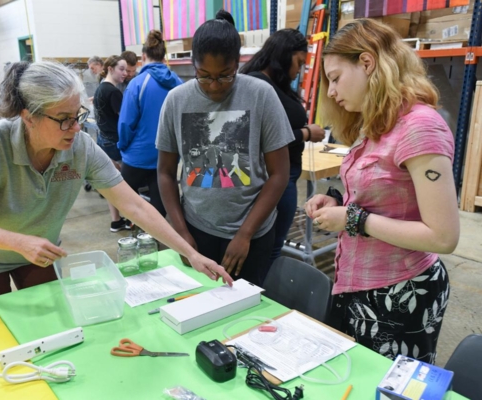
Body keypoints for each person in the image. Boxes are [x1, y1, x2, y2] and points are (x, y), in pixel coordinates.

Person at [0, 60, 232, 299]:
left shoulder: (80, 147)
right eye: (64, 119)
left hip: (38, 253)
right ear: (29, 117)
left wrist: (190, 252)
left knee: (48, 328)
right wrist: (21, 242)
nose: (75, 127)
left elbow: (135, 206)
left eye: (78, 116)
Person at [304, 19, 459, 363]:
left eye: (334, 78)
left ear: (367, 63)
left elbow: (443, 236)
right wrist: (340, 201)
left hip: (401, 291)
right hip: (358, 283)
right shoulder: (378, 122)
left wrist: (354, 219)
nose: (330, 91)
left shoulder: (420, 127)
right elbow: (387, 194)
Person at [157, 10, 293, 286]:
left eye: (225, 76)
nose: (214, 86)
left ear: (237, 64)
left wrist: (245, 234)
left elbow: (279, 174)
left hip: (252, 233)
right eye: (204, 76)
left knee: (244, 313)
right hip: (196, 230)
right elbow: (165, 173)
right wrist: (180, 231)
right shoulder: (176, 100)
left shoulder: (260, 95)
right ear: (193, 65)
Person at [240, 29, 326, 266]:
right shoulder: (258, 85)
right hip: (274, 180)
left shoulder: (270, 84)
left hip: (282, 177)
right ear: (284, 55)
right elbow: (259, 138)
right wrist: (306, 133)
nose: (299, 71)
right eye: (298, 62)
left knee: (271, 249)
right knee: (270, 251)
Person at [118, 30, 182, 217]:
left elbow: (125, 123)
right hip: (167, 156)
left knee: (124, 200)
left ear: (143, 56)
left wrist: (122, 146)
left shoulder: (138, 83)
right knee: (159, 209)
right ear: (164, 57)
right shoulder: (178, 83)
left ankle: (135, 228)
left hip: (138, 155)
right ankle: (155, 239)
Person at [93, 55, 130, 232]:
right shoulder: (113, 92)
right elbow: (124, 121)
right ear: (110, 69)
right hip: (114, 143)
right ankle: (132, 219)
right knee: (129, 183)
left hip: (103, 140)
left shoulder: (101, 88)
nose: (125, 73)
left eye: (126, 69)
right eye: (121, 69)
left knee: (111, 182)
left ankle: (116, 221)